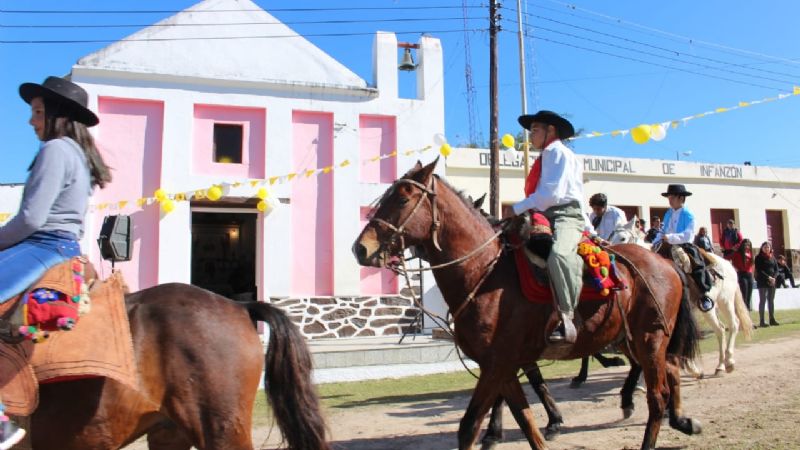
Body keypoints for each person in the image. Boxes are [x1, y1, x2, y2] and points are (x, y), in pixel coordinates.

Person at [0, 76, 111, 447]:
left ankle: (0, 420)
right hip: (61, 245)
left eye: (37, 112)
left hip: (45, 244)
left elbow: (31, 219)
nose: (31, 121)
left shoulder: (55, 150)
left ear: (56, 115)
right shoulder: (77, 153)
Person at [512, 110, 586, 344]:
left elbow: (550, 195)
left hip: (565, 216)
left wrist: (516, 208)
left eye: (535, 130)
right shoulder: (547, 155)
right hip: (543, 214)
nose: (530, 136)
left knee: (560, 255)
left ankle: (568, 317)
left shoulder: (556, 152)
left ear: (550, 130)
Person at [652, 184, 715, 312]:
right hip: (665, 244)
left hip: (683, 244)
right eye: (668, 197)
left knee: (695, 265)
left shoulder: (688, 215)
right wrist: (654, 241)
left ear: (681, 198)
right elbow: (662, 230)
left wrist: (669, 237)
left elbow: (688, 235)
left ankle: (703, 296)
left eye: (672, 197)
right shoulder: (668, 213)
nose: (669, 199)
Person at [754, 241, 779, 327]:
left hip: (772, 282)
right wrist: (768, 277)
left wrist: (774, 278)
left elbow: (777, 269)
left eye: (768, 247)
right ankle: (762, 321)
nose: (767, 249)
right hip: (762, 282)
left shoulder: (773, 258)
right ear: (762, 248)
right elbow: (759, 270)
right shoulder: (758, 258)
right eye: (765, 247)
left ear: (770, 248)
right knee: (763, 301)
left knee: (771, 300)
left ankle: (772, 319)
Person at [732, 239, 755, 311]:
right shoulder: (737, 253)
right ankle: (742, 311)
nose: (747, 247)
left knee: (749, 294)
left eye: (748, 245)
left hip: (749, 274)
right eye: (745, 245)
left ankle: (747, 311)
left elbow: (752, 265)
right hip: (741, 274)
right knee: (744, 293)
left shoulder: (750, 253)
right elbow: (733, 263)